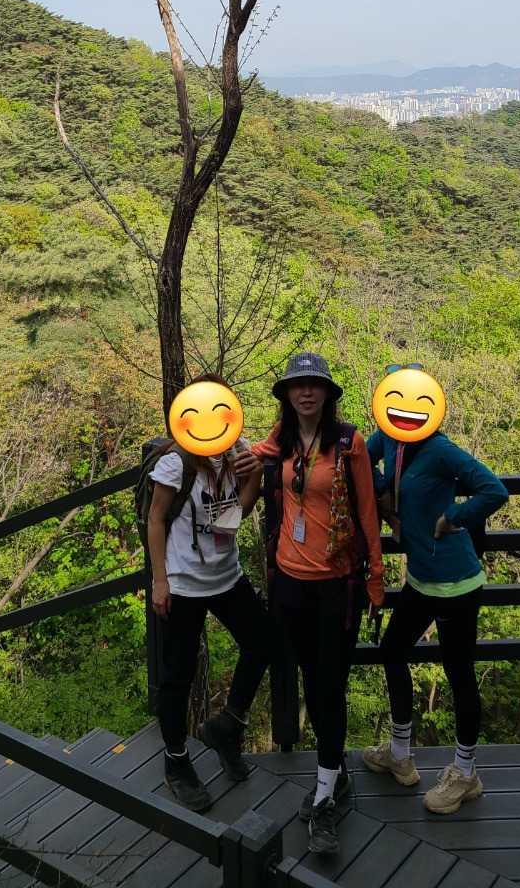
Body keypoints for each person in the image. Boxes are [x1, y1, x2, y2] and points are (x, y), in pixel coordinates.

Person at [234, 352, 385, 857]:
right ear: (286, 394)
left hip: (338, 587)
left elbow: (368, 513)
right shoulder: (278, 440)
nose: (305, 392)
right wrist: (185, 441)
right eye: (296, 385)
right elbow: (233, 448)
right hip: (290, 584)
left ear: (327, 393)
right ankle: (335, 773)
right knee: (311, 683)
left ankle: (322, 800)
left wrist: (377, 579)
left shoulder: (348, 443)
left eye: (314, 385)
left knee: (328, 689)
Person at [363, 379, 508, 814]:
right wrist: (384, 494)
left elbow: (494, 490)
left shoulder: (441, 449)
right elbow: (361, 460)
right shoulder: (389, 434)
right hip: (421, 578)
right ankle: (400, 754)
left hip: (456, 581)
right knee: (392, 651)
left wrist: (453, 516)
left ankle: (465, 773)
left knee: (458, 673)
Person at [147, 375, 271, 810]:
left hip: (226, 575)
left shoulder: (239, 451)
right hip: (183, 583)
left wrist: (255, 475)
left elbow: (237, 515)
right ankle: (176, 761)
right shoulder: (176, 463)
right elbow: (156, 520)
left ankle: (227, 726)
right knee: (177, 674)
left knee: (263, 641)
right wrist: (160, 580)